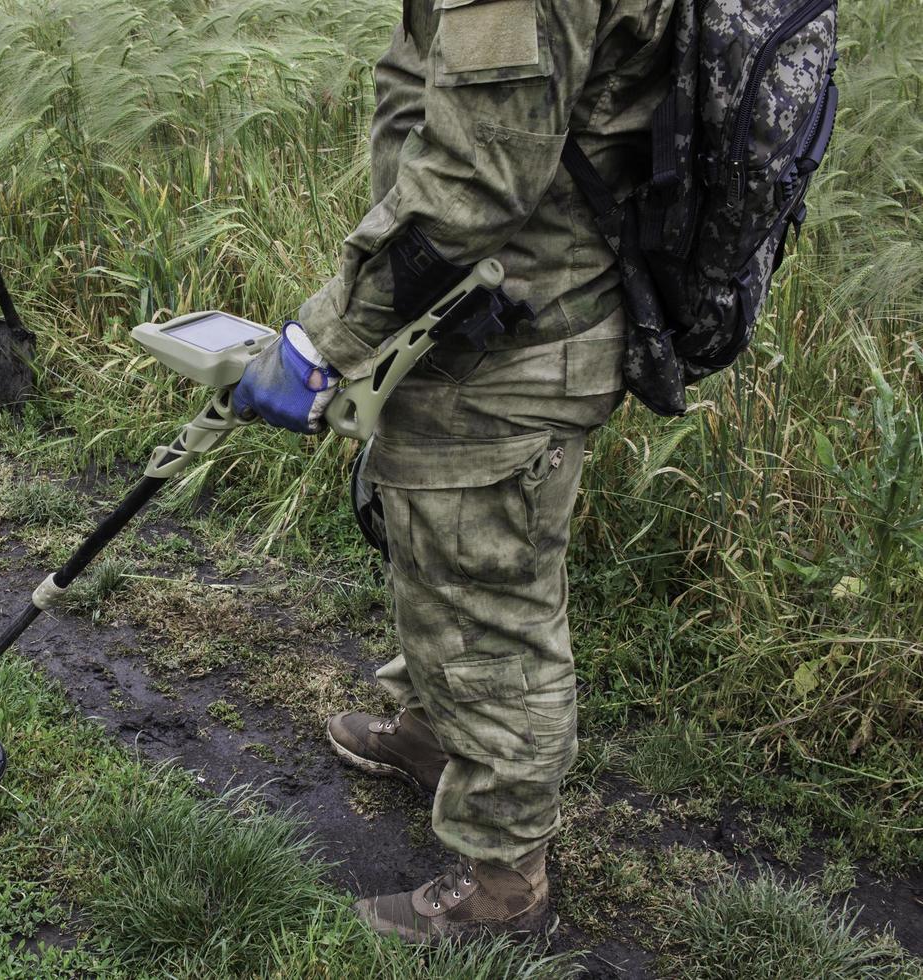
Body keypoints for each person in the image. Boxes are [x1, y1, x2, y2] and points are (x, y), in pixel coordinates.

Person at [232, 0, 677, 944]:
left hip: (513, 344)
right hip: (464, 322)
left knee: (491, 609)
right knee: (435, 553)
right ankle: (440, 739)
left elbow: (476, 177)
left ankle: (504, 888)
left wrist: (323, 338)